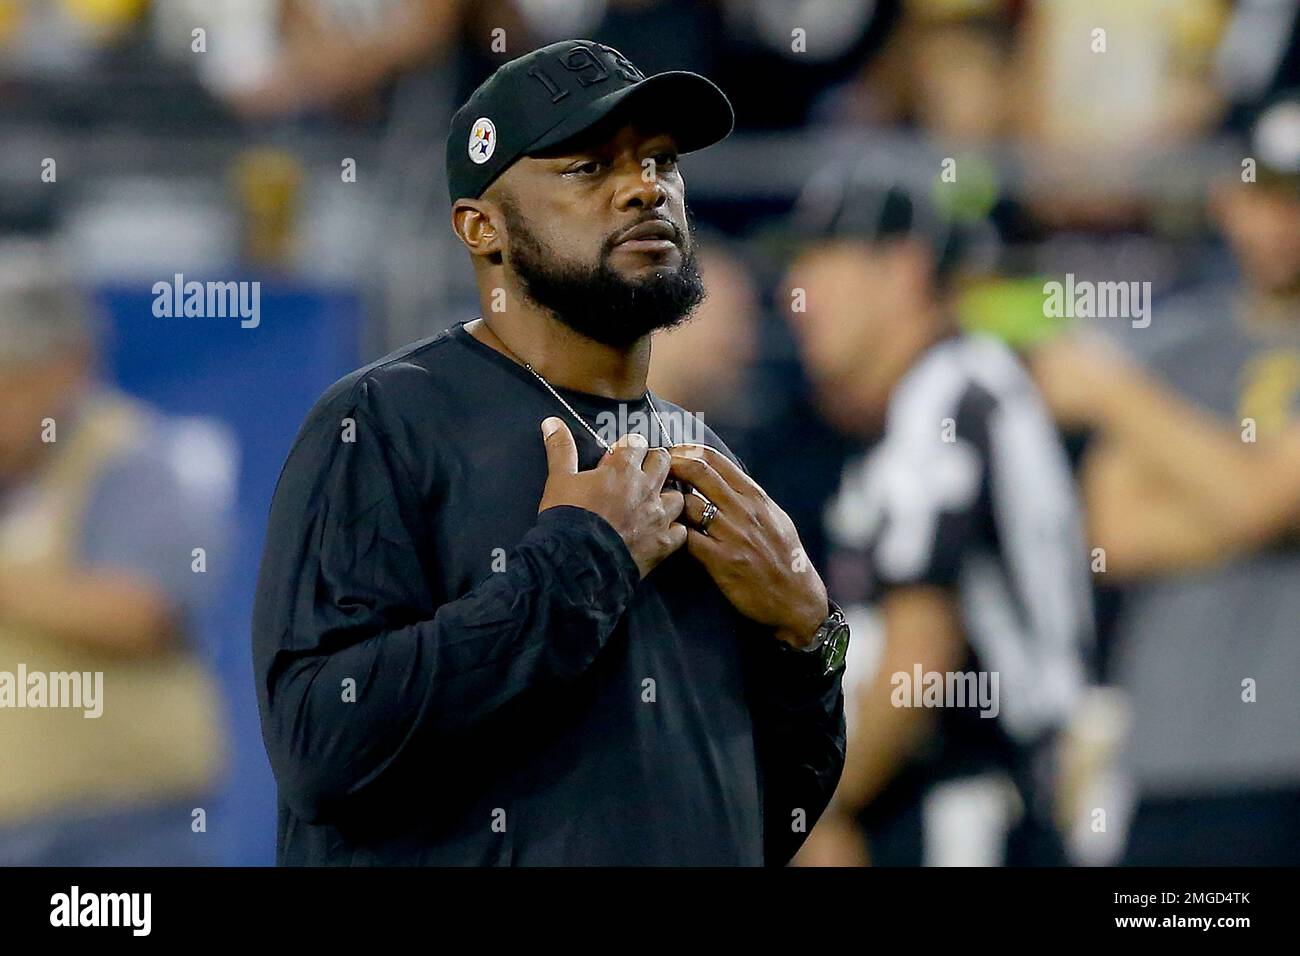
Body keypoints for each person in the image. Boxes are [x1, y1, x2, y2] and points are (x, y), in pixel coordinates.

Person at [251, 39, 849, 866]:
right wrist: (579, 563)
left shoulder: (703, 454)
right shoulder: (383, 422)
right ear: (482, 227)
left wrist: (810, 640)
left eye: (661, 161)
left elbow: (762, 812)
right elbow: (321, 746)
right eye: (589, 168)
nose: (645, 188)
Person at [784, 173, 1092, 866]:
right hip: (986, 796)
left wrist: (822, 810)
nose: (796, 295)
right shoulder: (942, 395)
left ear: (901, 270)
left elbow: (922, 651)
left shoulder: (944, 396)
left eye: (822, 260)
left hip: (966, 809)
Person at [1031, 93, 1300, 865]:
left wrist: (1115, 394)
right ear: (1226, 199)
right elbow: (1115, 530)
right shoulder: (1176, 349)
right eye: (1264, 193)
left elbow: (1264, 501)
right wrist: (1252, 497)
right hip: (1173, 758)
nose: (1280, 221)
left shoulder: (1137, 374)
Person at [0, 247, 232, 865]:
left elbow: (141, 613)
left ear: (66, 368)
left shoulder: (129, 460)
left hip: (117, 832)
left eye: (10, 379)